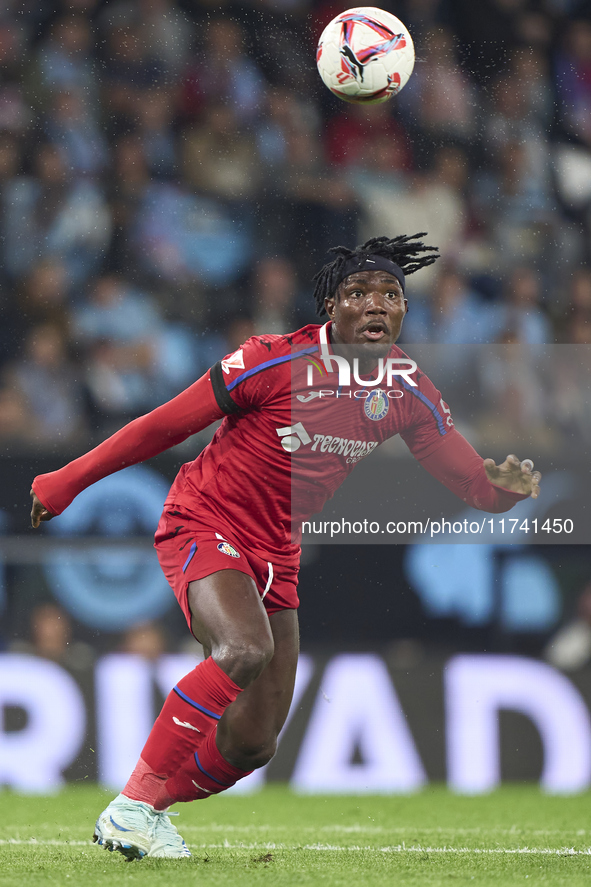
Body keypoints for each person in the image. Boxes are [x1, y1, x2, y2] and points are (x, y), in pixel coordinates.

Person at [29, 234, 541, 860]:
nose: (377, 304)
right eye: (359, 293)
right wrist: (67, 481)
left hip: (278, 552)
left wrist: (502, 493)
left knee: (254, 742)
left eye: (391, 295)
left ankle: (151, 811)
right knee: (243, 647)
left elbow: (469, 479)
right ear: (331, 307)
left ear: (406, 311)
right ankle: (129, 807)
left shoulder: (408, 390)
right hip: (205, 518)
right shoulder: (271, 361)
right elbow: (162, 425)